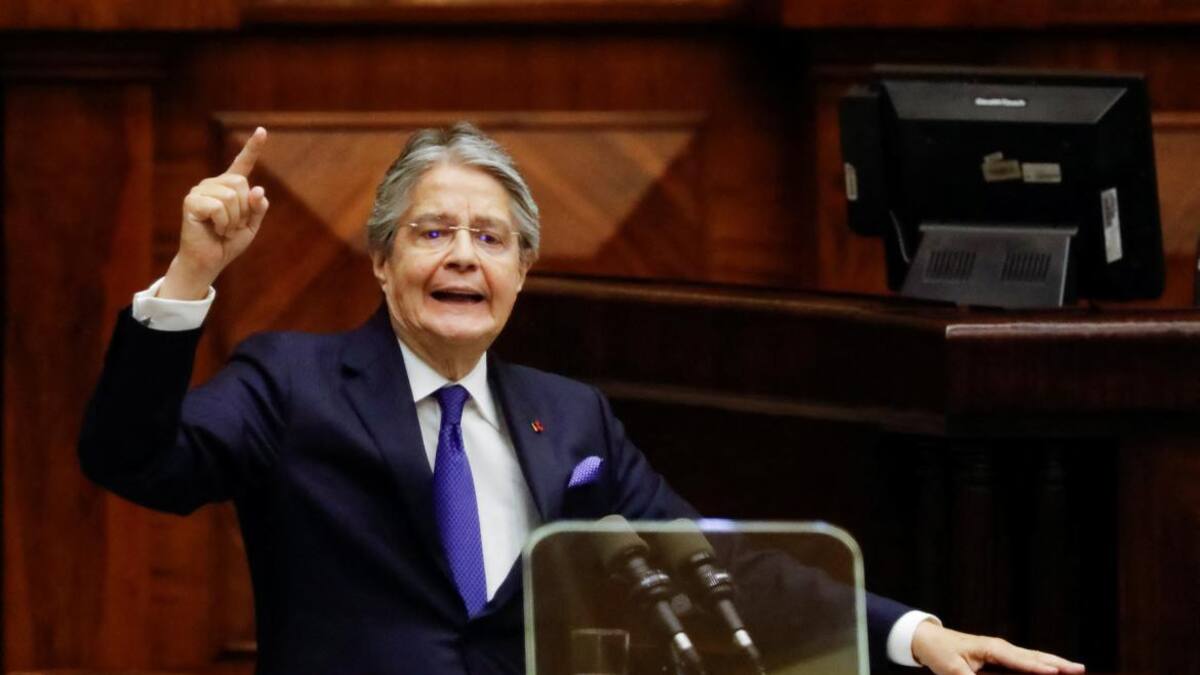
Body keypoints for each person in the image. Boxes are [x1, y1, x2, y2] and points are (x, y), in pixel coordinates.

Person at [79, 123, 1086, 675]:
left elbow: (716, 566)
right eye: (432, 234)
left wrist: (912, 633)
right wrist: (188, 277)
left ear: (522, 271)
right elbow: (135, 464)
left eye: (490, 238)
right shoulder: (290, 380)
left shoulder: (571, 416)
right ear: (382, 264)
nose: (463, 256)